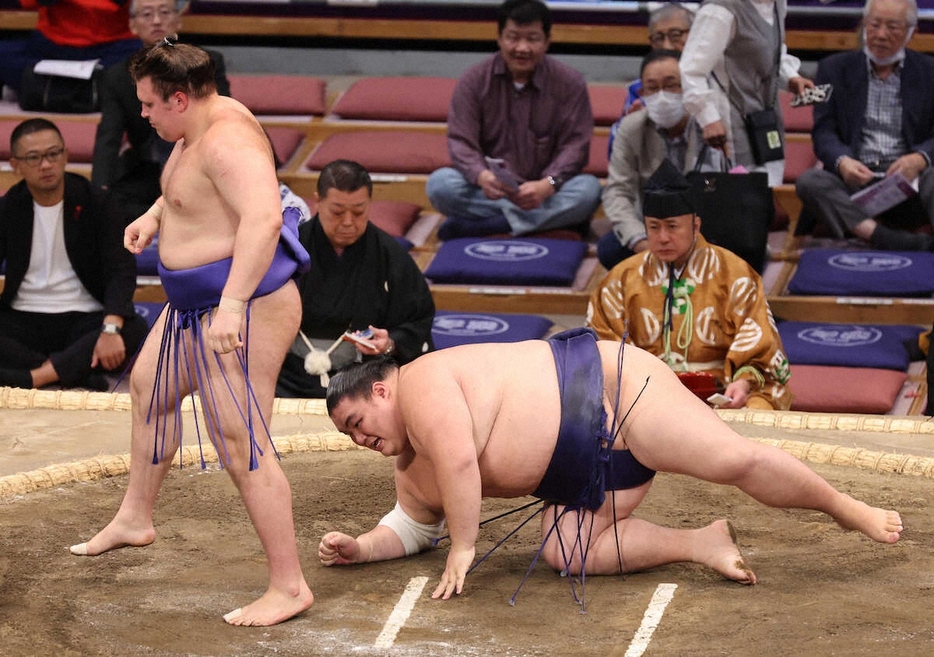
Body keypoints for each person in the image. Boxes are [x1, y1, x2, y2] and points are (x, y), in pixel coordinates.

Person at [318, 329, 902, 602]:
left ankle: (846, 507)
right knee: (565, 553)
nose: (359, 439)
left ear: (381, 391)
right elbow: (413, 526)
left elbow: (461, 461)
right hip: (582, 473)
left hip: (614, 394)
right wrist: (363, 547)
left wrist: (464, 546)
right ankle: (700, 542)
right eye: (350, 436)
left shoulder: (423, 384)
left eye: (356, 424)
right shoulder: (410, 468)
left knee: (732, 459)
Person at [69, 42, 314, 627]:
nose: (144, 115)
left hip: (244, 305)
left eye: (151, 104)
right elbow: (195, 186)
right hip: (194, 305)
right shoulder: (204, 119)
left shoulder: (228, 140)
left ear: (181, 97)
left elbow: (263, 218)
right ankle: (136, 516)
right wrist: (158, 214)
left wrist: (230, 307)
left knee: (240, 441)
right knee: (150, 389)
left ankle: (289, 584)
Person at [587, 160, 791, 411]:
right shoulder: (619, 280)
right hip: (645, 394)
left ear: (695, 226)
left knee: (760, 407)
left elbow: (761, 349)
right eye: (654, 227)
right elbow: (604, 350)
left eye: (672, 227)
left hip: (722, 390)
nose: (662, 237)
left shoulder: (735, 274)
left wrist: (742, 383)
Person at [425, 0, 602, 240]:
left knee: (588, 191)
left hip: (546, 190)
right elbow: (461, 142)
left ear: (547, 41)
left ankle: (488, 224)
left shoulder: (569, 83)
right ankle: (543, 223)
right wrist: (481, 176)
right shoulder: (474, 80)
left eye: (532, 39)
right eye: (513, 37)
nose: (522, 47)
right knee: (440, 185)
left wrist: (546, 185)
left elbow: (576, 146)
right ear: (499, 38)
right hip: (491, 189)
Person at [0, 118, 149, 391]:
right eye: (33, 158)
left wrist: (111, 328)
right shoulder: (8, 207)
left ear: (66, 155)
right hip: (23, 316)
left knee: (134, 328)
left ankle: (31, 377)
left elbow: (121, 270)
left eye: (53, 154)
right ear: (16, 165)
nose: (46, 164)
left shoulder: (98, 203)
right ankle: (69, 371)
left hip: (84, 316)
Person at [276, 159, 435, 399]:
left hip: (365, 378)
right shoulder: (291, 248)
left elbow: (418, 319)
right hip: (288, 375)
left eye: (359, 211)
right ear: (318, 201)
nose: (348, 221)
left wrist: (390, 343)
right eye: (337, 212)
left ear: (370, 204)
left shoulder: (390, 256)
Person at [795, 0, 934, 252]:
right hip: (855, 184)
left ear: (912, 32)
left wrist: (920, 159)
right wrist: (842, 161)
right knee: (810, 181)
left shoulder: (929, 72)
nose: (881, 35)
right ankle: (880, 236)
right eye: (875, 25)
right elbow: (824, 131)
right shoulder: (833, 68)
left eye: (893, 27)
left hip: (909, 184)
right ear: (863, 26)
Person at [92, 0, 230, 226]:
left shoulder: (205, 64)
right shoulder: (116, 76)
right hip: (149, 168)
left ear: (178, 20)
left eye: (164, 12)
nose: (156, 21)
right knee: (112, 204)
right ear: (133, 25)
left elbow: (223, 118)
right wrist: (99, 188)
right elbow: (109, 135)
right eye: (147, 14)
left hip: (201, 163)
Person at [680, 0, 813, 187]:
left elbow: (772, 51)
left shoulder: (777, 4)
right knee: (733, 202)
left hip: (766, 119)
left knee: (767, 197)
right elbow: (691, 71)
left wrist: (790, 76)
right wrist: (708, 118)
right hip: (728, 124)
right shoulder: (719, 10)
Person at [598, 49, 705, 270]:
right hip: (655, 230)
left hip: (706, 228)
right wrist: (641, 241)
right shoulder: (631, 127)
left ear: (688, 86)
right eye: (653, 88)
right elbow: (617, 191)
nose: (662, 95)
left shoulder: (710, 125)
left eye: (671, 85)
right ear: (642, 93)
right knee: (610, 249)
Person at [606, 1, 694, 158]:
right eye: (658, 38)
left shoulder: (712, 83)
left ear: (695, 34)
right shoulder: (639, 89)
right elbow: (614, 155)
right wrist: (630, 128)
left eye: (675, 35)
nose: (667, 46)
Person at [0, 0, 142, 96]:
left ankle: (48, 89)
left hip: (111, 47)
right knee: (5, 55)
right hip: (52, 47)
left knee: (144, 62)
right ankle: (91, 91)